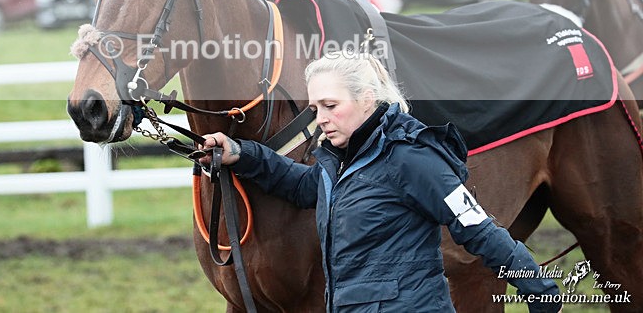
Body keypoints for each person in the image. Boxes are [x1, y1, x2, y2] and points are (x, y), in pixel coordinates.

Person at [200, 51, 561, 313]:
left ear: (367, 99)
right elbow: (305, 186)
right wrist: (241, 153)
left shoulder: (413, 158)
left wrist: (540, 290)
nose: (321, 119)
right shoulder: (338, 161)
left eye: (330, 105)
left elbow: (478, 229)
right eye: (315, 110)